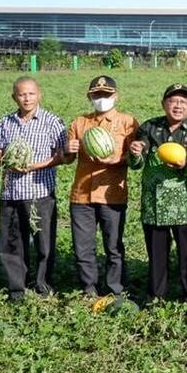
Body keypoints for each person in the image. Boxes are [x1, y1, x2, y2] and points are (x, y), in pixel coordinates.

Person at [128, 83, 187, 301]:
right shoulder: (149, 127)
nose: (178, 106)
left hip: (186, 205)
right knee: (157, 255)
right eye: (173, 101)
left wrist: (185, 165)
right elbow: (137, 163)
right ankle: (156, 297)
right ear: (163, 104)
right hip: (155, 205)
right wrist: (135, 152)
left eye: (183, 102)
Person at [0, 77, 68, 302]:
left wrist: (35, 165)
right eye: (22, 94)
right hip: (11, 192)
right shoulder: (4, 123)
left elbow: (62, 156)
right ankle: (17, 288)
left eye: (31, 93)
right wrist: (1, 160)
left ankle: (43, 286)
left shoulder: (53, 122)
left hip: (39, 192)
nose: (27, 98)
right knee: (11, 242)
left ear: (39, 94)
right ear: (14, 97)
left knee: (44, 243)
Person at [64, 75, 139, 299]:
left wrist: (119, 159)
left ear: (116, 96)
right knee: (83, 247)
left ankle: (116, 289)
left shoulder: (128, 122)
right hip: (81, 196)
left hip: (111, 194)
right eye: (96, 94)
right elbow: (68, 159)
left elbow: (135, 159)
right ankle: (89, 289)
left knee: (113, 246)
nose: (101, 98)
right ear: (89, 97)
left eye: (106, 94)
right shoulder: (79, 123)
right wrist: (67, 150)